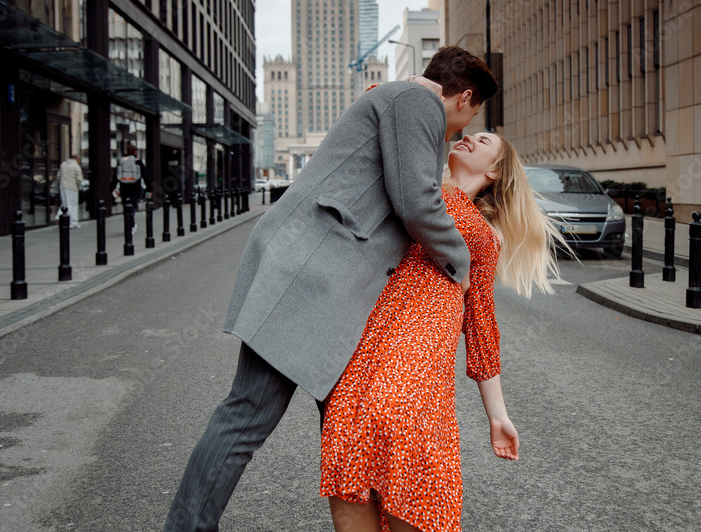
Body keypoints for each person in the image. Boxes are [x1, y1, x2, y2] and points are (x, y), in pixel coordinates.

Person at [163, 46, 498, 531]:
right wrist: (459, 260)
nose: (463, 130)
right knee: (247, 416)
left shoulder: (398, 97)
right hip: (308, 280)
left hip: (323, 290)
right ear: (465, 98)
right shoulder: (416, 102)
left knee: (348, 423)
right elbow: (416, 201)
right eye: (471, 117)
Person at [321, 132, 562, 532]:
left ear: (494, 170)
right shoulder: (412, 194)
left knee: (412, 456)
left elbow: (481, 323)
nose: (468, 138)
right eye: (467, 133)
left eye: (483, 141)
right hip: (365, 344)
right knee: (349, 459)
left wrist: (498, 415)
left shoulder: (484, 235)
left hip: (421, 350)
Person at [110, 144, 149, 228]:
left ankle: (128, 223)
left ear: (126, 151)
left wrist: (111, 188)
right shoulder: (138, 161)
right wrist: (149, 188)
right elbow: (145, 175)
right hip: (135, 187)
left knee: (126, 206)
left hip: (124, 187)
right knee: (132, 205)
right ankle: (131, 224)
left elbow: (115, 176)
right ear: (135, 152)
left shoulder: (121, 161)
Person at [57, 155, 84, 228]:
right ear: (77, 159)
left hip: (63, 187)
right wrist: (78, 187)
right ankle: (73, 222)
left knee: (65, 204)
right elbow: (79, 179)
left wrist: (61, 183)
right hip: (72, 187)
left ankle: (60, 218)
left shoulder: (63, 164)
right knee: (73, 205)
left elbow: (58, 176)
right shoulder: (76, 166)